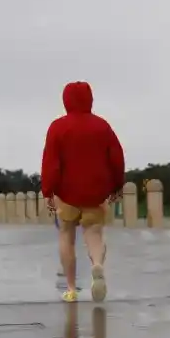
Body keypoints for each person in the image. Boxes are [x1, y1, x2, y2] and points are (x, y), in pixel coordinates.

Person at [41, 81, 125, 303]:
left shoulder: (57, 128)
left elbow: (51, 162)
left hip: (66, 195)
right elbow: (116, 158)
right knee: (94, 233)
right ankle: (97, 264)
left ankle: (70, 288)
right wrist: (117, 186)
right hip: (95, 193)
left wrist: (48, 191)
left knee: (66, 236)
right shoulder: (102, 127)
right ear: (90, 99)